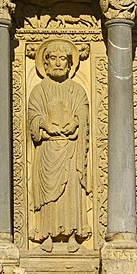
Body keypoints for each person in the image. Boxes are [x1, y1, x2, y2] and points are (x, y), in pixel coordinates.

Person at [28, 40, 91, 253]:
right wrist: (44, 123)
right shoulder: (39, 90)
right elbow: (33, 116)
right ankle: (46, 233)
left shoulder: (77, 90)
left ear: (69, 64)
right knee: (48, 195)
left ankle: (72, 233)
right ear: (45, 64)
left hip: (70, 149)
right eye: (52, 59)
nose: (57, 63)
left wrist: (75, 122)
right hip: (47, 148)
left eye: (62, 59)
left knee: (71, 191)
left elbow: (83, 114)